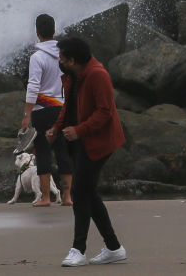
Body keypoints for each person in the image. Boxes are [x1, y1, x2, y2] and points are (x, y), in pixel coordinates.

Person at [47, 36, 127, 267]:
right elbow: (69, 106)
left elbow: (105, 112)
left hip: (99, 142)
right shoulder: (75, 74)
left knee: (81, 192)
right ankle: (113, 247)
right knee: (88, 193)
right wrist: (57, 127)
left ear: (72, 60)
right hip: (82, 140)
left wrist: (79, 130)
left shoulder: (97, 75)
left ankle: (78, 250)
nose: (59, 61)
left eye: (62, 57)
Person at [21, 14, 73, 207]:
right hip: (63, 108)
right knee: (63, 151)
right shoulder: (64, 55)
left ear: (37, 33)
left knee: (43, 150)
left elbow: (33, 86)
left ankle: (45, 198)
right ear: (54, 31)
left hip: (43, 110)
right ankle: (67, 197)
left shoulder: (37, 57)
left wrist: (26, 114)